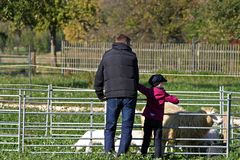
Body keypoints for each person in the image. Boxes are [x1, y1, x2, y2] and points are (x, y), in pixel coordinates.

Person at [94, 34, 139, 156]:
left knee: (110, 125)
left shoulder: (107, 56)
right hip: (129, 96)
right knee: (127, 126)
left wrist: (99, 93)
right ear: (126, 43)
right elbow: (136, 77)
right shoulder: (132, 56)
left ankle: (109, 152)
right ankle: (122, 154)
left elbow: (99, 76)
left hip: (112, 95)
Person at [138, 74, 179, 158]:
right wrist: (166, 93)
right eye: (162, 83)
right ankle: (158, 156)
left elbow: (140, 87)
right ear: (159, 84)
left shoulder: (149, 91)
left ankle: (143, 154)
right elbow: (176, 101)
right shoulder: (163, 94)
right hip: (157, 119)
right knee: (157, 139)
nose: (163, 84)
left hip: (148, 118)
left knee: (146, 137)